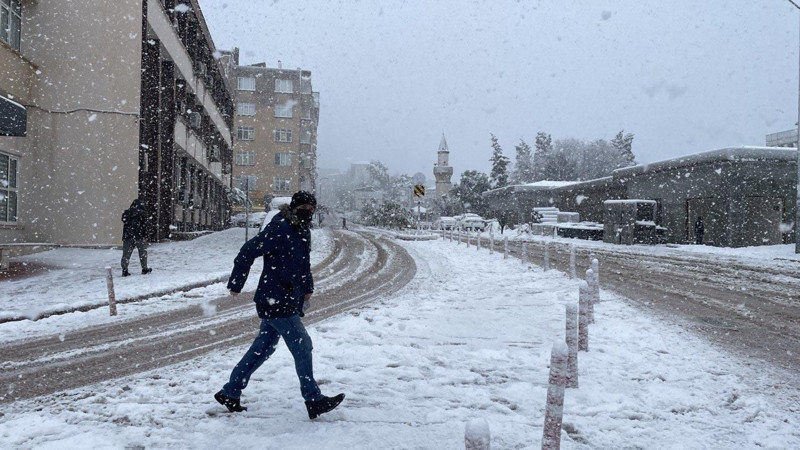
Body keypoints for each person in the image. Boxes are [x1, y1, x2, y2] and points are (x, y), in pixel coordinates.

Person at [215, 191, 345, 419]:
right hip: (274, 298)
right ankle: (313, 399)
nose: (308, 212)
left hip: (285, 298)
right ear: (293, 208)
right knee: (302, 345)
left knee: (262, 349)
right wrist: (236, 283)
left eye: (311, 209)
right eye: (303, 207)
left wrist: (307, 288)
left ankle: (230, 391)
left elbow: (303, 264)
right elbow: (248, 251)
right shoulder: (280, 228)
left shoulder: (301, 231)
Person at [120, 199, 151, 276]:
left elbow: (124, 220)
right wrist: (145, 236)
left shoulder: (126, 213)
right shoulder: (142, 213)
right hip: (139, 236)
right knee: (142, 254)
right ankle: (144, 268)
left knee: (126, 254)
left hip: (128, 237)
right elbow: (145, 226)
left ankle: (124, 270)